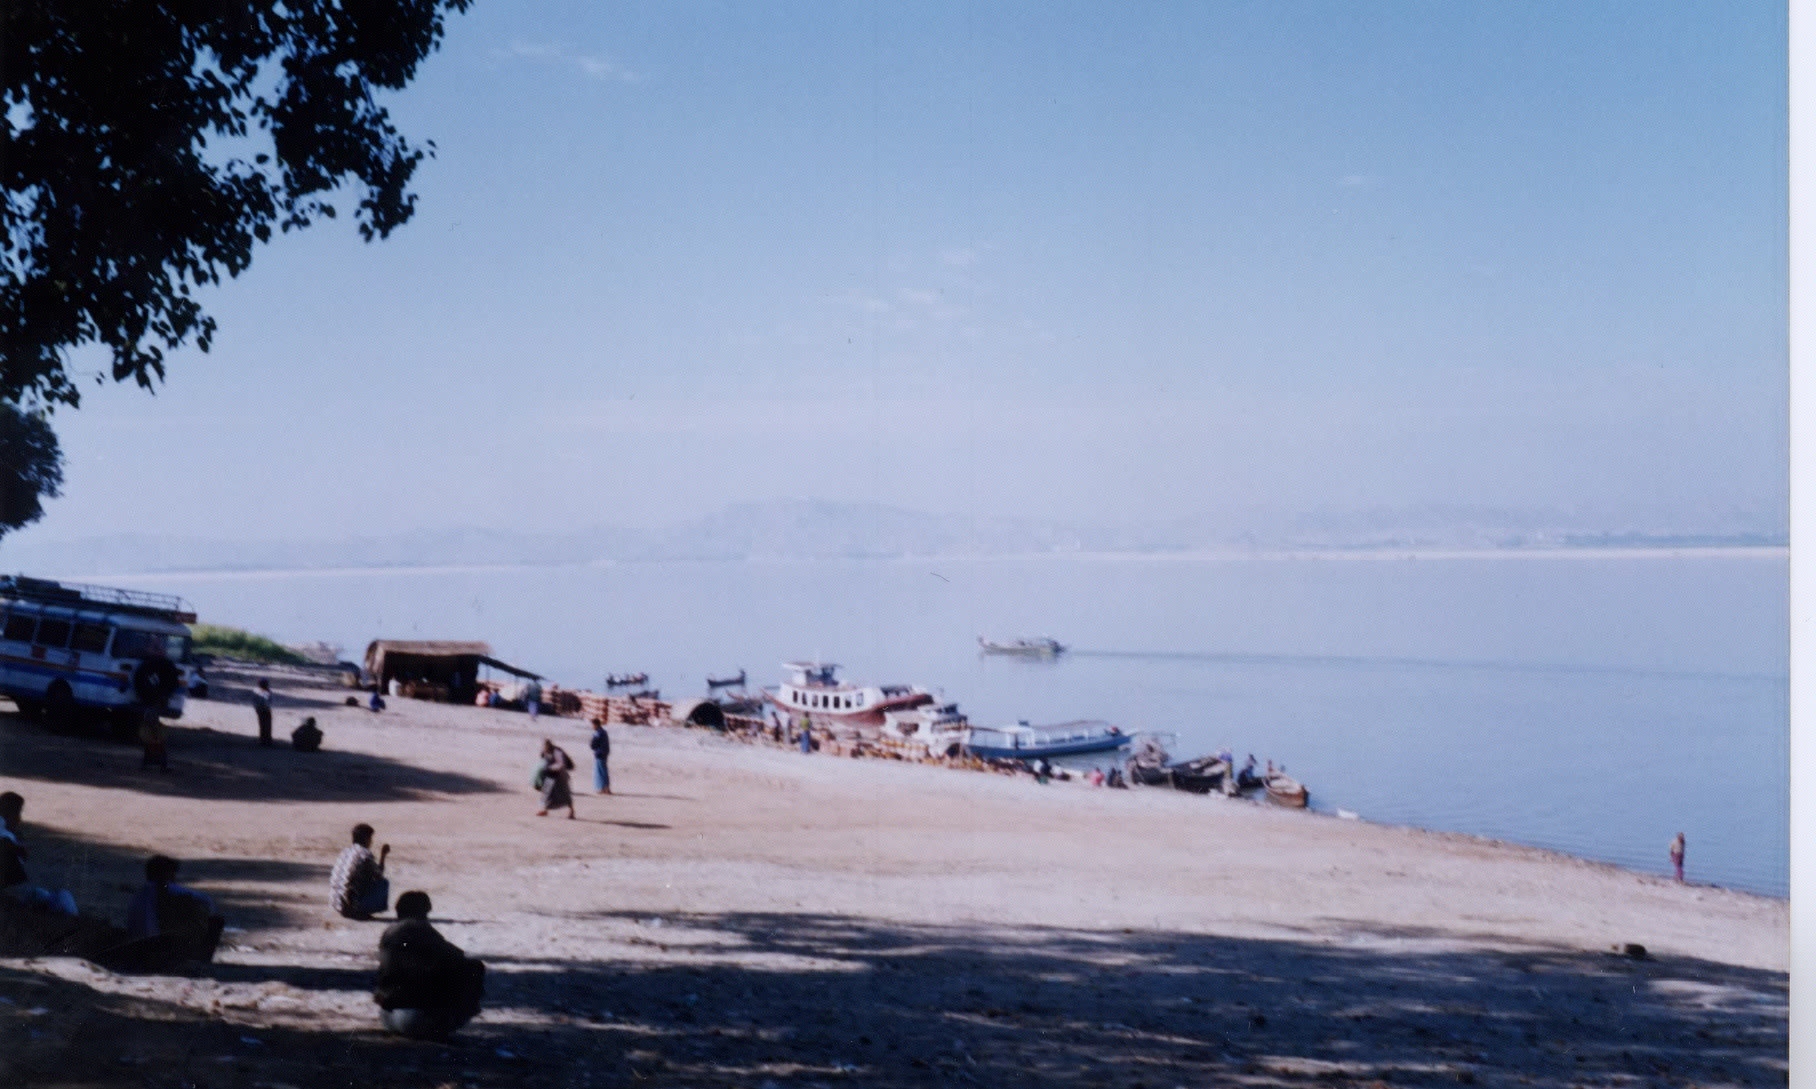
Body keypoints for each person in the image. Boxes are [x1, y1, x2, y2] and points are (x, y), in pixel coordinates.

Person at [375, 890, 485, 1040]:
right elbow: (456, 956)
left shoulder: (389, 932)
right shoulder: (419, 929)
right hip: (413, 1020)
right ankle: (441, 1025)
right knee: (472, 968)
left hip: (388, 1017)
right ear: (424, 911)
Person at [122, 855, 225, 964]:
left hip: (138, 946)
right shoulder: (166, 889)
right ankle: (200, 959)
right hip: (157, 946)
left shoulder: (139, 893)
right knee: (215, 921)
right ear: (168, 873)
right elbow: (207, 902)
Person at [0, 792, 78, 916]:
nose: (19, 819)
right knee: (63, 897)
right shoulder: (5, 833)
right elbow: (5, 841)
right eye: (18, 813)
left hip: (16, 891)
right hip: (17, 893)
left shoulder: (6, 832)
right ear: (10, 814)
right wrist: (17, 849)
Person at [330, 824, 391, 919]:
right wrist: (383, 855)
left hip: (336, 903)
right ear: (367, 839)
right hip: (350, 906)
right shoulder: (365, 854)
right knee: (383, 883)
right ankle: (361, 911)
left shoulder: (345, 852)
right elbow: (379, 874)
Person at [536, 738, 575, 818]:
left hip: (560, 775)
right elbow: (543, 761)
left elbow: (561, 764)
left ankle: (571, 811)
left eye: (545, 747)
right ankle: (544, 810)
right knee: (546, 791)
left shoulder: (557, 752)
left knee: (565, 793)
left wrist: (550, 768)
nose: (544, 749)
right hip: (550, 774)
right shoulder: (545, 752)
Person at [589, 719, 612, 794]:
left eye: (593, 725)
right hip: (604, 753)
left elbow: (593, 744)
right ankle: (606, 788)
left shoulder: (598, 733)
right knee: (604, 771)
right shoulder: (604, 732)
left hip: (600, 754)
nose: (592, 727)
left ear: (596, 725)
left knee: (600, 771)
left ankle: (602, 788)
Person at [252, 678, 274, 746]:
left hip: (262, 709)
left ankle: (264, 739)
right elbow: (267, 702)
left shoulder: (257, 691)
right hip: (264, 710)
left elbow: (254, 702)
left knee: (263, 725)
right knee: (266, 725)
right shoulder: (265, 692)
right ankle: (266, 739)